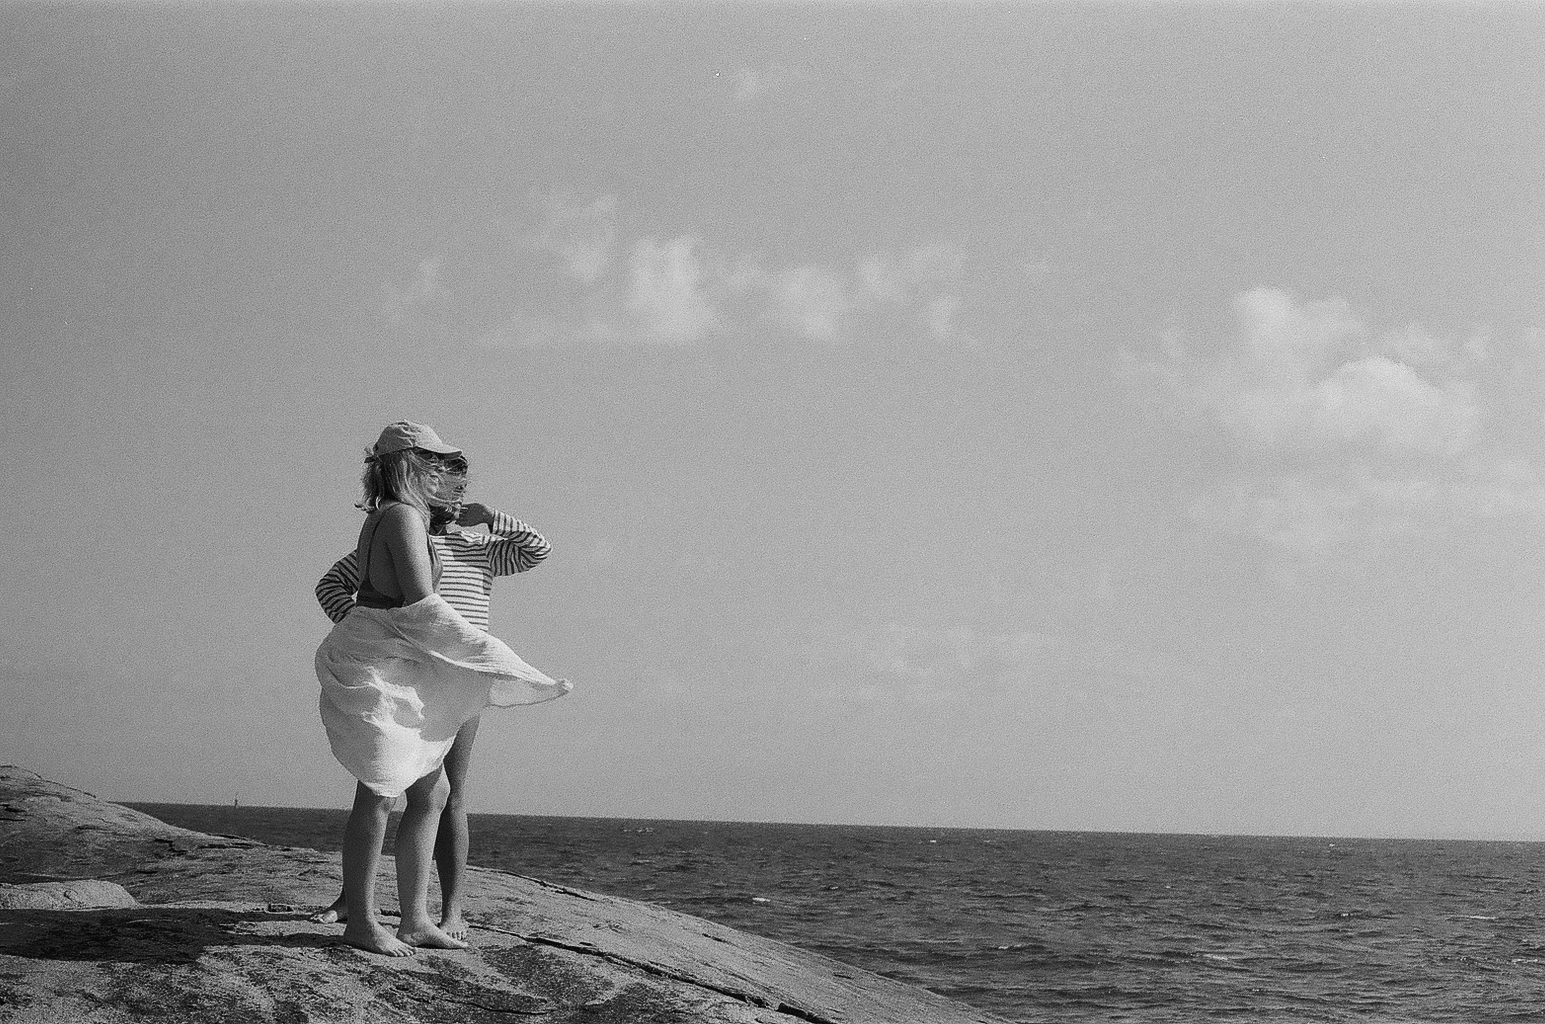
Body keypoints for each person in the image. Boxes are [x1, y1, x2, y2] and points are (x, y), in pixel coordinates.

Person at [314, 421, 568, 956]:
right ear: (408, 467)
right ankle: (361, 918)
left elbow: (535, 549)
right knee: (381, 789)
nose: (446, 478)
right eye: (434, 466)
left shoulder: (425, 526)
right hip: (397, 667)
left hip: (429, 670)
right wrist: (503, 663)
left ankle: (417, 918)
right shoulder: (402, 517)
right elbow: (419, 603)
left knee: (435, 791)